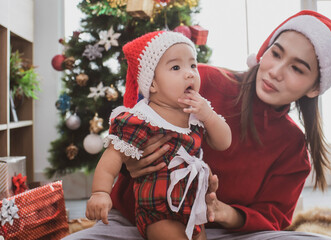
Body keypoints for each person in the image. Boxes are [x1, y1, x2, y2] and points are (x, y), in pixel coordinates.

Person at [63, 9, 331, 240]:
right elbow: (135, 121)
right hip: (138, 218)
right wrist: (132, 164)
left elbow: (274, 218)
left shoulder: (293, 147)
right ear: (264, 52)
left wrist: (223, 212)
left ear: (314, 88)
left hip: (222, 233)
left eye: (297, 68)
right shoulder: (201, 81)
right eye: (276, 53)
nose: (276, 71)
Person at [85, 31, 232, 240]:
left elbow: (223, 142)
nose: (190, 73)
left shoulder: (196, 114)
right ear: (152, 84)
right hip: (158, 212)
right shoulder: (142, 118)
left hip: (191, 208)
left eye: (192, 65)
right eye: (175, 67)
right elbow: (113, 156)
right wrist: (100, 192)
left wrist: (208, 115)